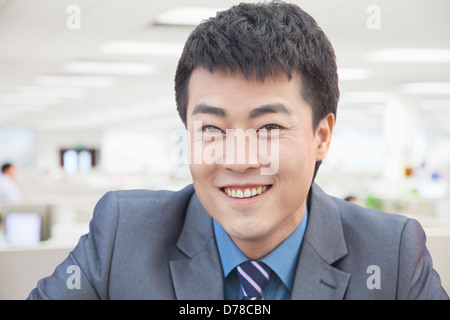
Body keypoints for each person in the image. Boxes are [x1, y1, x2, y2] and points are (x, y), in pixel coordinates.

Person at [28, 1, 448, 300]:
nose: (238, 158)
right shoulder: (124, 236)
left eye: (268, 127)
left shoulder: (391, 256)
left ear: (321, 136)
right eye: (211, 128)